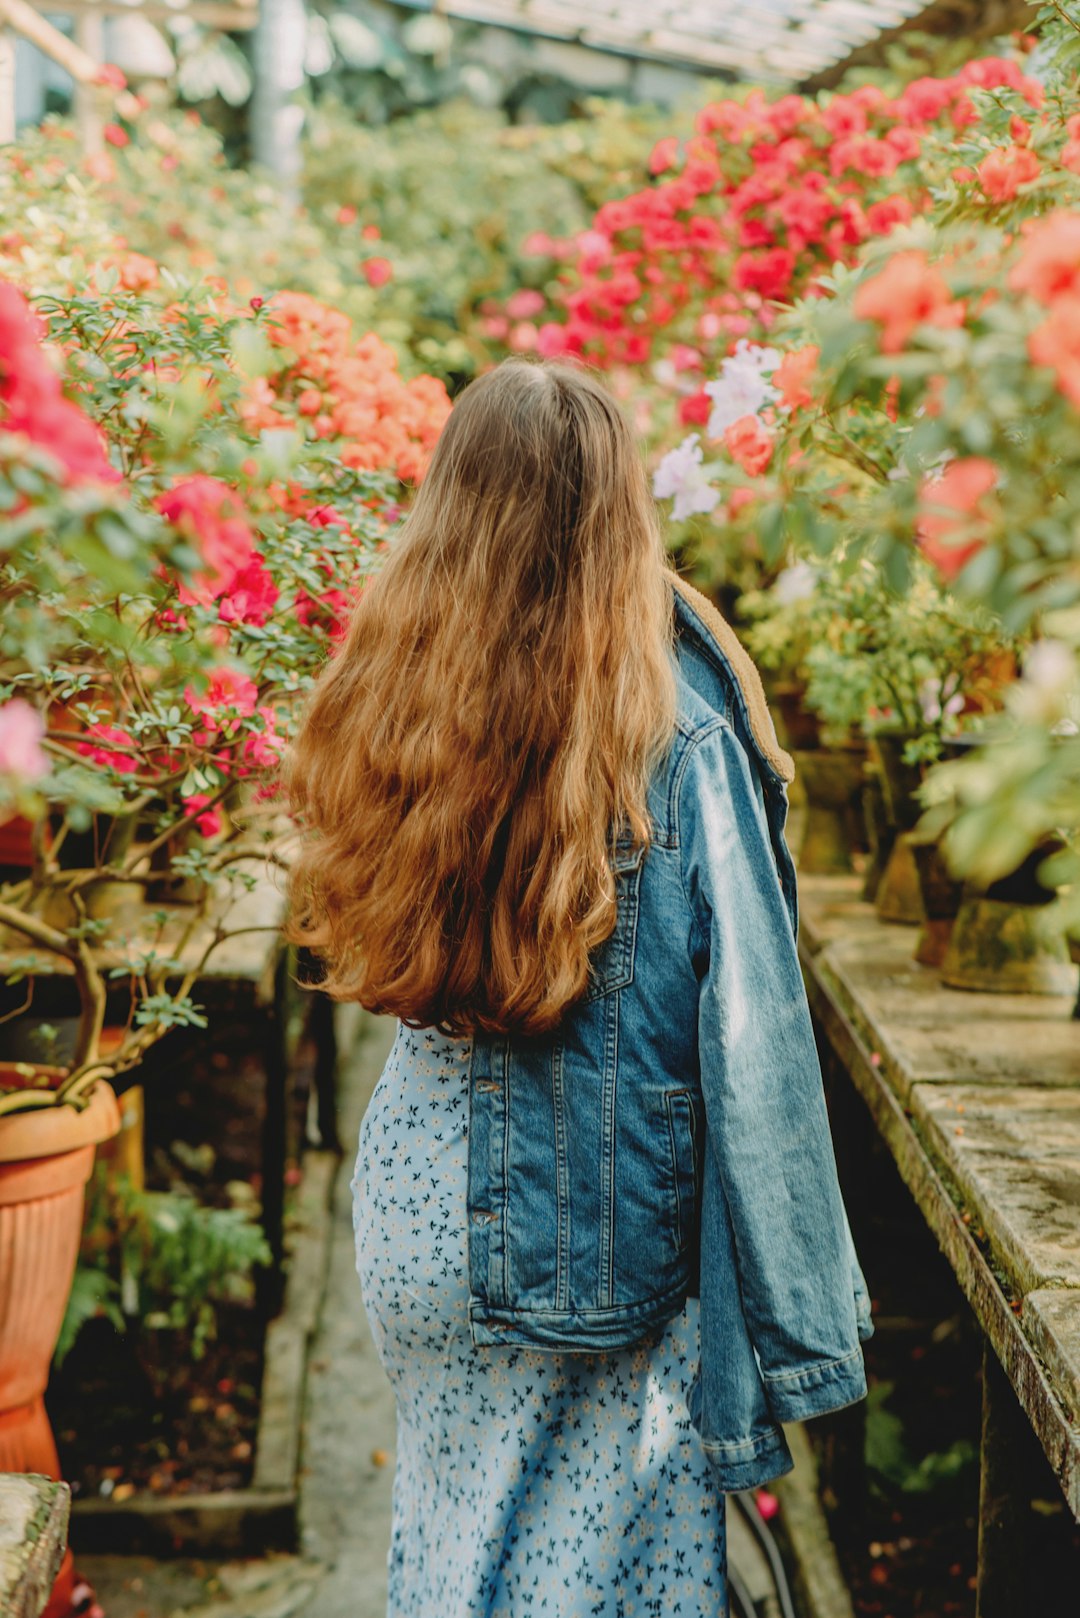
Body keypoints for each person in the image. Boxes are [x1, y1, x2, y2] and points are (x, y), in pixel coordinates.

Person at [287, 358, 872, 1618]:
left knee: (454, 1548)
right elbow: (755, 1035)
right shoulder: (674, 724)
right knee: (602, 1579)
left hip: (415, 1208)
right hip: (587, 1223)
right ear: (620, 510)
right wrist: (807, 1329)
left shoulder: (395, 675)